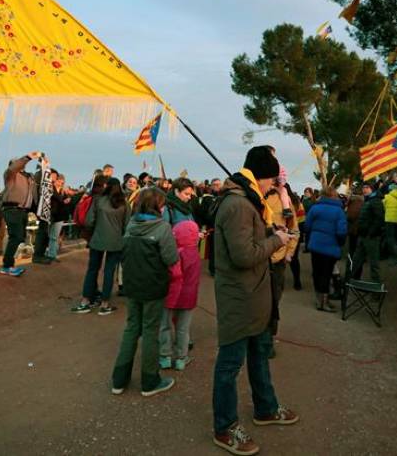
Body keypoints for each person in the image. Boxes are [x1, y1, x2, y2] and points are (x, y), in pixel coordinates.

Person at [211, 146, 297, 455]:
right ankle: (225, 427)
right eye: (272, 180)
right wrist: (277, 239)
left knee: (260, 354)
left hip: (256, 296)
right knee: (230, 365)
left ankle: (265, 408)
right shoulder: (237, 205)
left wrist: (270, 230)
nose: (273, 186)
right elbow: (244, 255)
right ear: (262, 176)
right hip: (240, 298)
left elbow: (249, 241)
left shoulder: (249, 202)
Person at [111, 187, 178, 397]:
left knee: (131, 328)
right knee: (150, 331)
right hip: (153, 286)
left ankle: (119, 380)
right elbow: (171, 259)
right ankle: (150, 381)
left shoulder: (131, 224)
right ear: (158, 206)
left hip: (132, 284)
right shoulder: (162, 227)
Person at [72, 178, 129, 315]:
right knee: (109, 272)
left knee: (92, 269)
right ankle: (105, 304)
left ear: (107, 186)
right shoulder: (124, 203)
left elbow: (89, 221)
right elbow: (127, 225)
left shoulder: (98, 200)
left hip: (97, 239)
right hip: (116, 241)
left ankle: (85, 301)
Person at [159, 220, 202, 371]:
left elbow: (175, 274)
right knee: (183, 328)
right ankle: (181, 359)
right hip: (189, 297)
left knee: (164, 325)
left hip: (171, 295)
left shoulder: (176, 252)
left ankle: (164, 356)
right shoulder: (195, 253)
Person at [265, 176, 300, 357]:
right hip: (258, 259)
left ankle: (269, 340)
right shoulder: (258, 198)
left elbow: (294, 230)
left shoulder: (286, 203)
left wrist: (289, 252)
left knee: (273, 302)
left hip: (277, 261)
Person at [0, 151, 44, 277]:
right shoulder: (10, 175)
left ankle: (9, 264)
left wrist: (43, 166)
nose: (20, 165)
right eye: (18, 163)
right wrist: (28, 157)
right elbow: (15, 167)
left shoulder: (28, 177)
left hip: (23, 211)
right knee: (16, 236)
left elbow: (34, 193)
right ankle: (7, 265)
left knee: (20, 237)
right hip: (12, 208)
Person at [304, 185, 348, 312]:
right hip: (331, 247)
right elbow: (342, 231)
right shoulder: (339, 211)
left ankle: (319, 301)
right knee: (326, 274)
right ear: (334, 195)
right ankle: (324, 302)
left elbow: (307, 226)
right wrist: (340, 243)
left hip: (315, 245)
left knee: (317, 273)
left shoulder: (315, 208)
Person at [352, 181, 384, 282]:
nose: (364, 189)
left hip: (371, 237)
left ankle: (376, 287)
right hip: (363, 235)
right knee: (356, 260)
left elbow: (379, 219)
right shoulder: (368, 200)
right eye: (363, 187)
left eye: (367, 187)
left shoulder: (375, 201)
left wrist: (371, 233)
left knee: (374, 263)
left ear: (372, 189)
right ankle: (351, 281)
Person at [46, 173, 71, 261]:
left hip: (60, 217)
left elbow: (66, 202)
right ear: (56, 180)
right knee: (48, 236)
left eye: (62, 182)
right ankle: (47, 253)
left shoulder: (63, 192)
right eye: (59, 181)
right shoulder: (51, 189)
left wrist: (68, 199)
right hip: (50, 215)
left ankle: (52, 255)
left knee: (54, 237)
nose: (61, 183)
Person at [382, 181, 397, 266]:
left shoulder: (387, 197)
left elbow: (383, 207)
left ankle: (395, 257)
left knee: (390, 239)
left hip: (389, 220)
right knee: (396, 239)